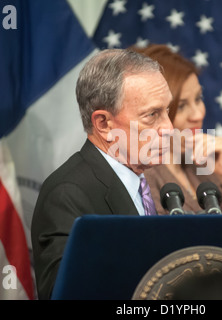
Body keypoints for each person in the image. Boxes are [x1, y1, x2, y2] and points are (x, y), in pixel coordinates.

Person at [31, 49, 173, 299]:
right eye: (152, 115)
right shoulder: (67, 194)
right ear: (104, 124)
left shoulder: (148, 180)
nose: (169, 128)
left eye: (167, 111)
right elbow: (66, 293)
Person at [132, 44, 222, 214]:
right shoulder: (140, 179)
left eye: (198, 99)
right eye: (181, 107)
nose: (197, 115)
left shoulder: (202, 166)